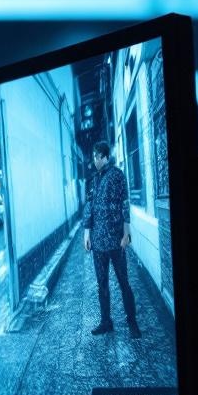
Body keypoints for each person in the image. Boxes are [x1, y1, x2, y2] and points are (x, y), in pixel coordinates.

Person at [83, 141, 141, 338]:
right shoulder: (94, 180)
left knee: (124, 282)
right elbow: (89, 207)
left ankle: (132, 322)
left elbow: (125, 204)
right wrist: (86, 233)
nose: (95, 159)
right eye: (94, 156)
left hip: (116, 241)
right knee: (102, 284)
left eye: (98, 156)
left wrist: (126, 233)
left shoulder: (116, 175)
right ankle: (106, 321)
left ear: (106, 156)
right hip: (98, 243)